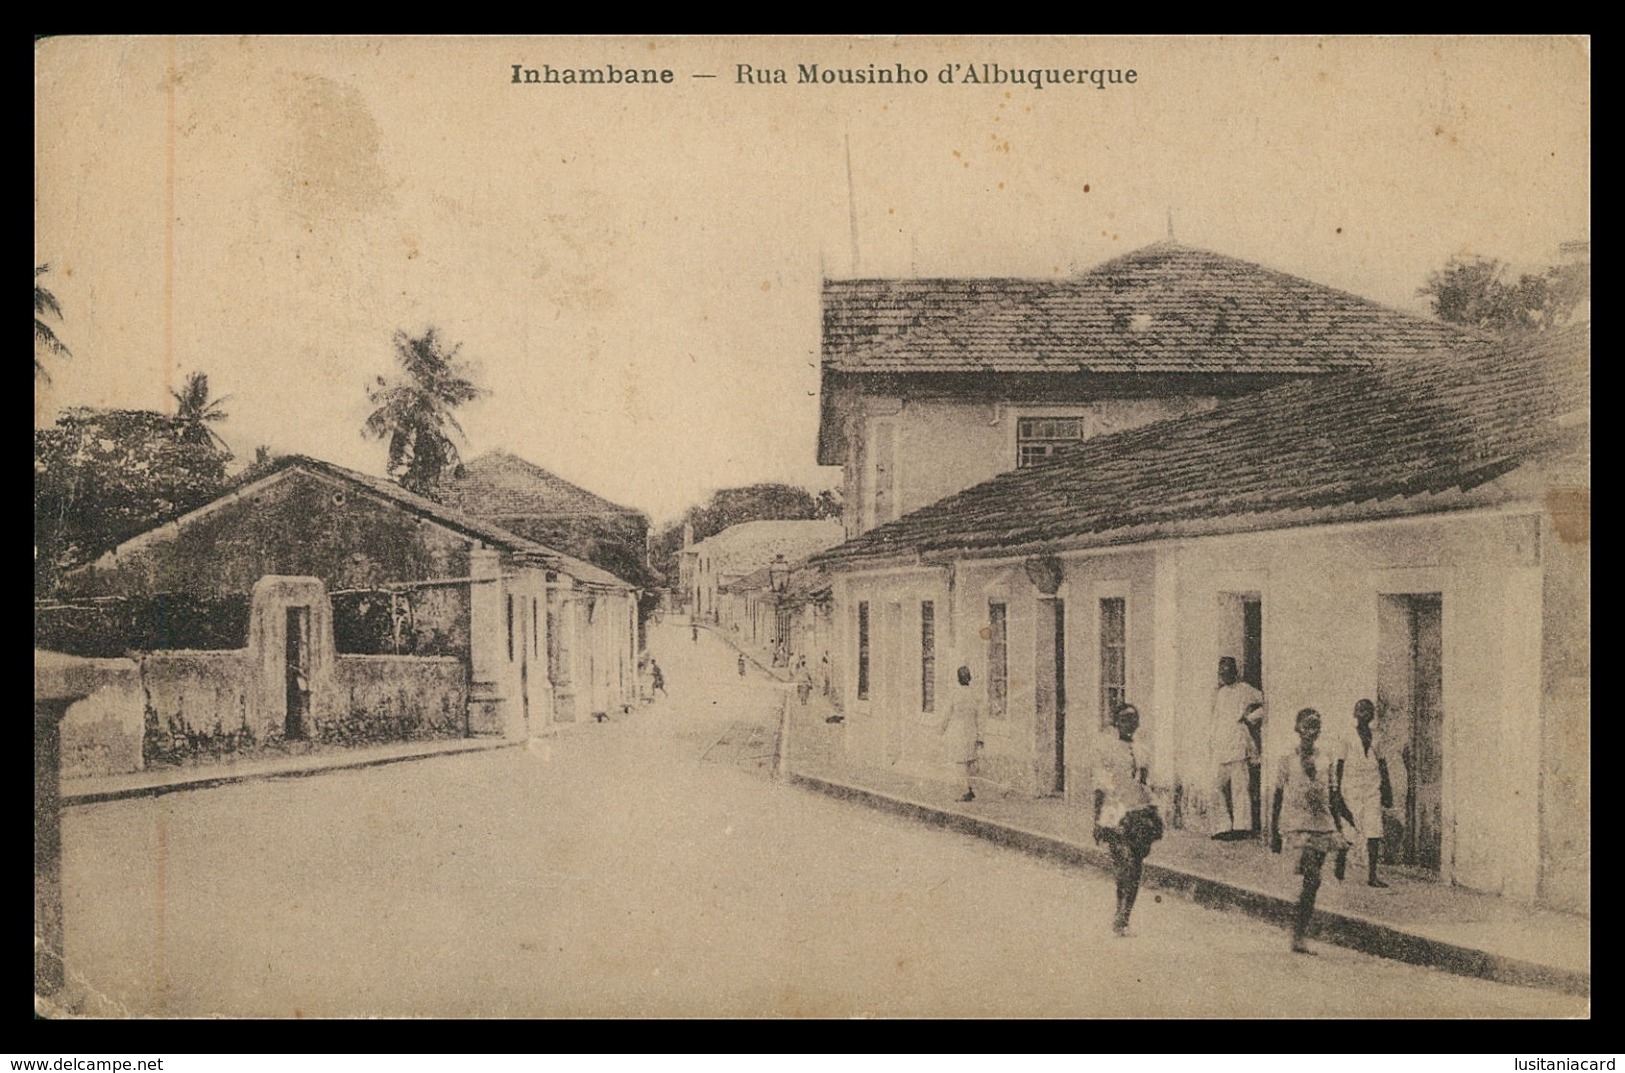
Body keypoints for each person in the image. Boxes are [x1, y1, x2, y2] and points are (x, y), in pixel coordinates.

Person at [1271, 708, 1349, 954]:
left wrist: (1338, 828)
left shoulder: (1326, 757)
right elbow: (1278, 794)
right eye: (1306, 725)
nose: (1311, 731)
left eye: (1316, 725)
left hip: (1322, 823)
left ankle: (1299, 933)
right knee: (1313, 877)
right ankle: (1298, 934)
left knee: (1312, 884)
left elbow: (1333, 795)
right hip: (1297, 825)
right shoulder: (1286, 758)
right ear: (1297, 728)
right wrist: (1274, 831)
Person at [1093, 702, 1162, 936]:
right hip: (1115, 811)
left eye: (1133, 719)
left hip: (1140, 812)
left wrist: (1154, 809)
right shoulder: (1107, 749)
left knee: (1136, 867)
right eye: (1124, 720)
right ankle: (1120, 912)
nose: (1129, 724)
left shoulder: (1143, 750)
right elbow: (1100, 786)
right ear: (1116, 723)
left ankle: (1125, 914)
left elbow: (1146, 785)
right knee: (1125, 865)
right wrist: (1097, 820)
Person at [1334, 698, 1395, 888]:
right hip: (1351, 787)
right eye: (1360, 710)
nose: (1364, 714)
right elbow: (1340, 764)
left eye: (1368, 711)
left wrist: (1387, 789)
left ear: (1372, 715)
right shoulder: (1346, 736)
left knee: (1374, 829)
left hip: (1372, 787)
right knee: (1351, 829)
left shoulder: (1377, 737)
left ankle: (1372, 875)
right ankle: (1341, 864)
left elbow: (1382, 763)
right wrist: (1336, 791)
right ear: (1354, 713)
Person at [1211, 656, 1266, 840]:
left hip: (1238, 743)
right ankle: (1223, 826)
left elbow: (1265, 703)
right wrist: (1212, 741)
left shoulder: (1245, 690)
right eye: (1222, 672)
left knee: (1240, 787)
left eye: (1228, 671)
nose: (1224, 675)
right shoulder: (1220, 694)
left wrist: (1250, 718)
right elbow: (1217, 719)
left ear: (1235, 671)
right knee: (1216, 786)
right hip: (1221, 745)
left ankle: (1242, 827)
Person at [938, 666, 981, 802]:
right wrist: (980, 736)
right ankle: (970, 787)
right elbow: (980, 716)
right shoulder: (974, 695)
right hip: (972, 730)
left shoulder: (955, 694)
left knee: (960, 763)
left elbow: (946, 714)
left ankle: (966, 791)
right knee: (969, 761)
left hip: (958, 732)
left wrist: (941, 729)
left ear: (958, 679)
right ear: (969, 678)